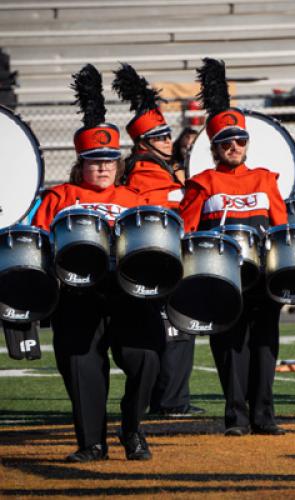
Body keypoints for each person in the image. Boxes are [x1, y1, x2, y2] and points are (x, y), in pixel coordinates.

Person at [33, 64, 165, 462]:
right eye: (94, 160)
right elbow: (39, 243)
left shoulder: (135, 198)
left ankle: (132, 427)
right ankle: (91, 443)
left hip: (128, 290)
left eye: (109, 159)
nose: (104, 166)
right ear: (80, 162)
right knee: (81, 367)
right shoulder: (58, 196)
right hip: (77, 293)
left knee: (147, 358)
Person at [180, 58, 288, 436]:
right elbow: (187, 231)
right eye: (227, 142)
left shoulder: (265, 178)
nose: (235, 147)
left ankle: (265, 416)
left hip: (262, 278)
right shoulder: (202, 183)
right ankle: (236, 417)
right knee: (229, 350)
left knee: (264, 346)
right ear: (215, 147)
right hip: (221, 280)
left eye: (241, 140)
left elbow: (281, 226)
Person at [112, 65, 204, 418]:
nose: (169, 141)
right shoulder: (145, 177)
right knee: (174, 332)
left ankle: (168, 399)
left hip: (162, 260)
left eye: (168, 135)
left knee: (174, 333)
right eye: (161, 137)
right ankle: (170, 402)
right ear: (143, 143)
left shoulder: (163, 171)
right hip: (160, 261)